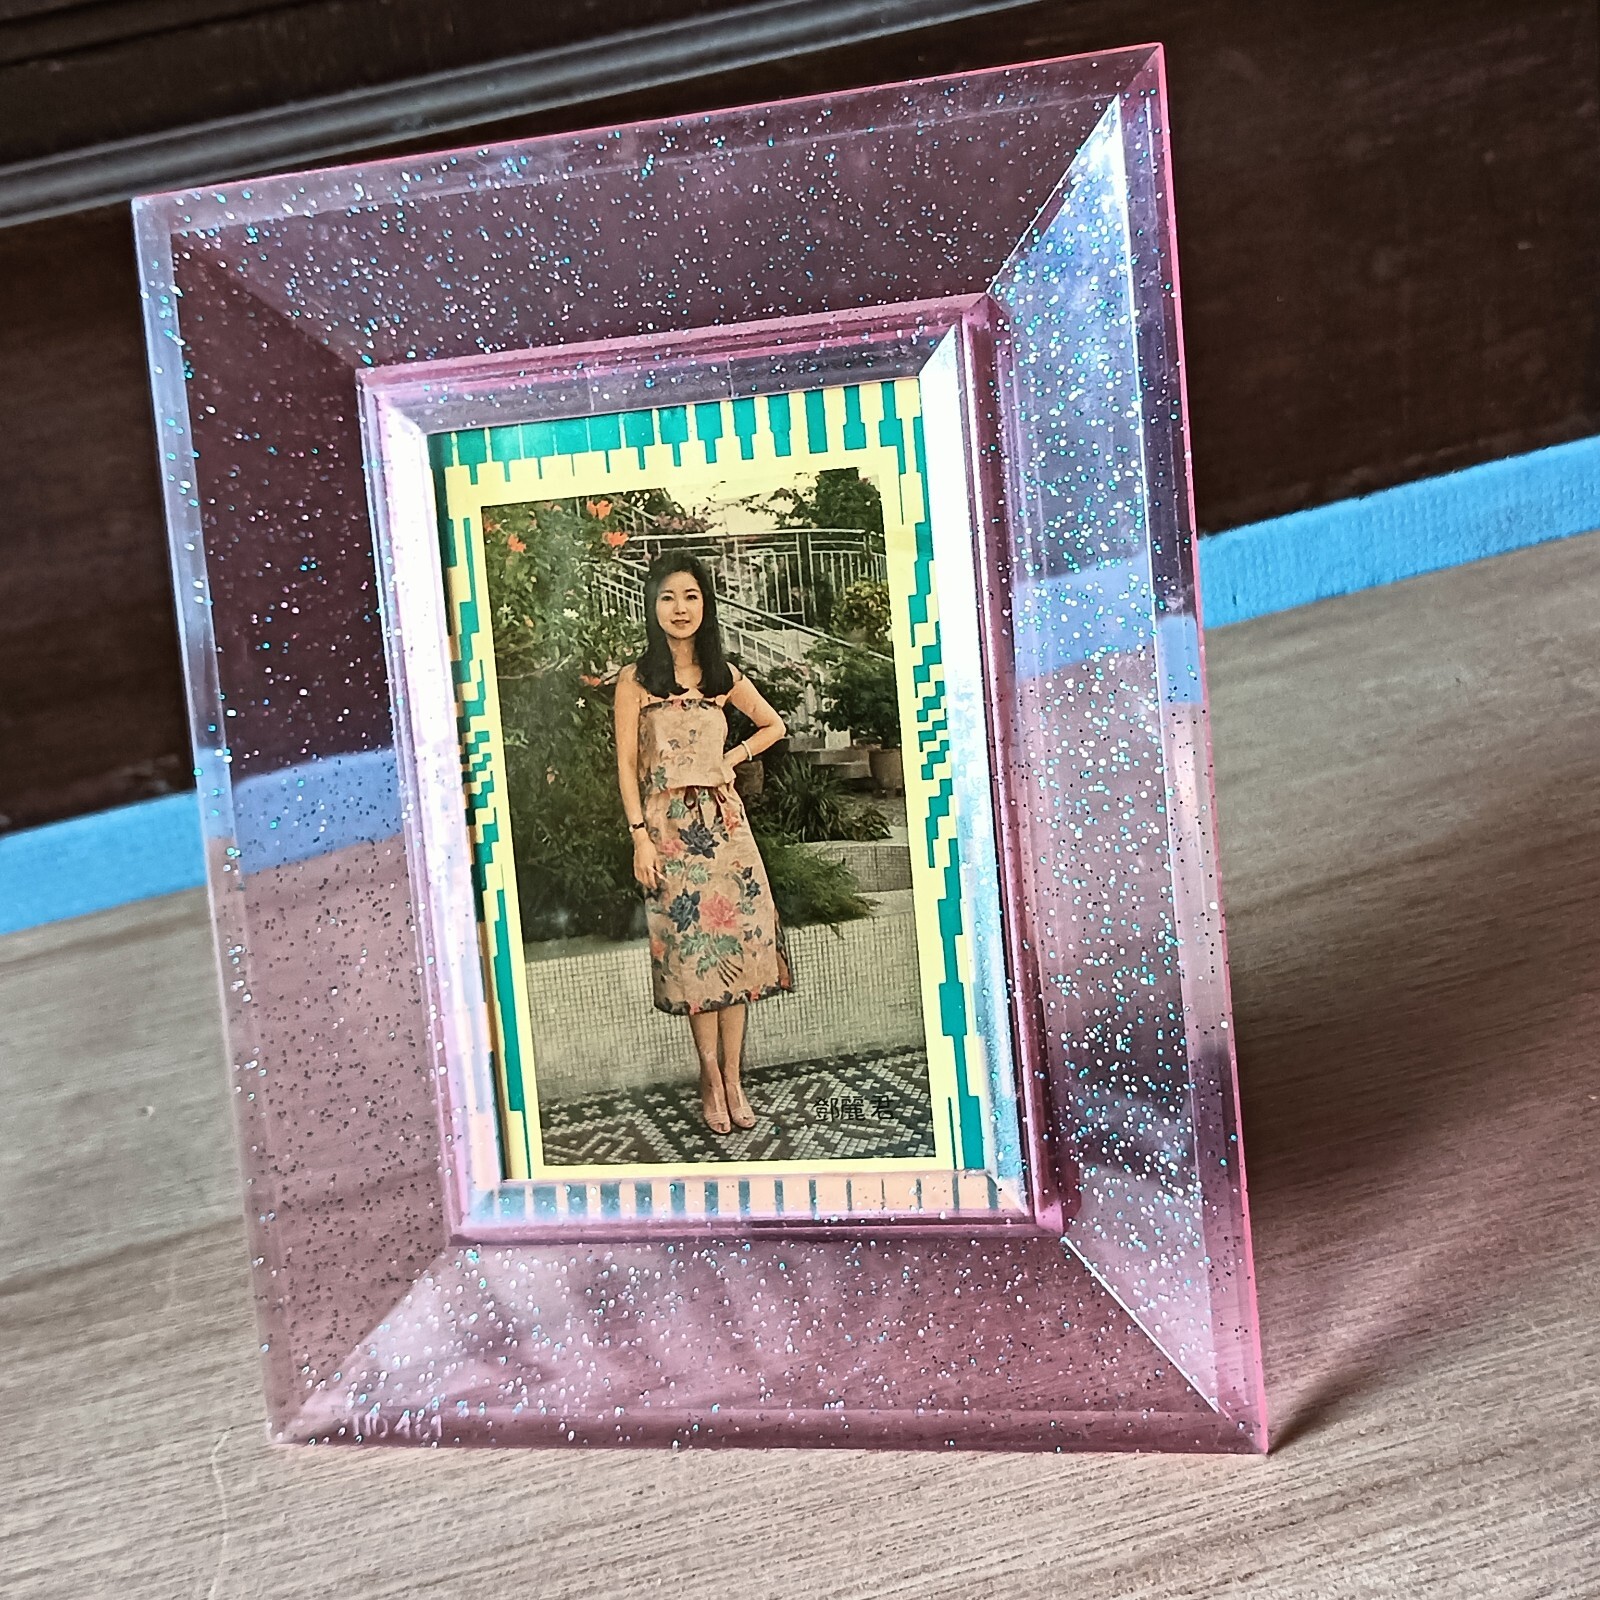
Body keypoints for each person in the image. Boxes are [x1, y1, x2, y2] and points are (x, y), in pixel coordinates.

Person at [613, 553, 793, 1135]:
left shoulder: (722, 677)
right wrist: (639, 838)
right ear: (652, 605)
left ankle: (735, 1078)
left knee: (735, 952)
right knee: (695, 958)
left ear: (705, 604)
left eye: (690, 596)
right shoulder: (636, 680)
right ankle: (710, 1077)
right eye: (668, 597)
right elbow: (626, 767)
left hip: (727, 832)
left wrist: (732, 757)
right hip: (668, 835)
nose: (680, 608)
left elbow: (774, 726)